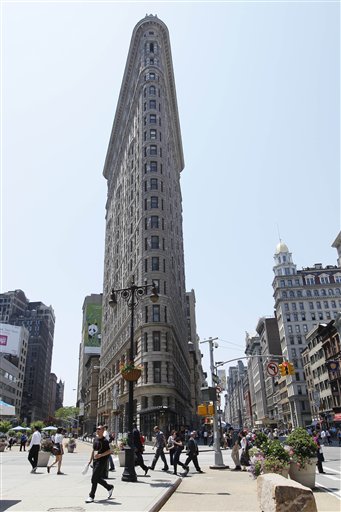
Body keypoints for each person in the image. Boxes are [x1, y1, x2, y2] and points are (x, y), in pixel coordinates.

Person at [85, 425, 114, 503]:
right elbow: (93, 450)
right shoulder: (95, 439)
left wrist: (101, 455)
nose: (97, 430)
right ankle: (109, 487)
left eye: (99, 429)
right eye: (97, 429)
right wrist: (90, 460)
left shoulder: (105, 441)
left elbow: (109, 451)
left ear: (103, 431)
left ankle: (91, 496)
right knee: (96, 478)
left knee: (94, 478)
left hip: (102, 461)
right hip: (95, 461)